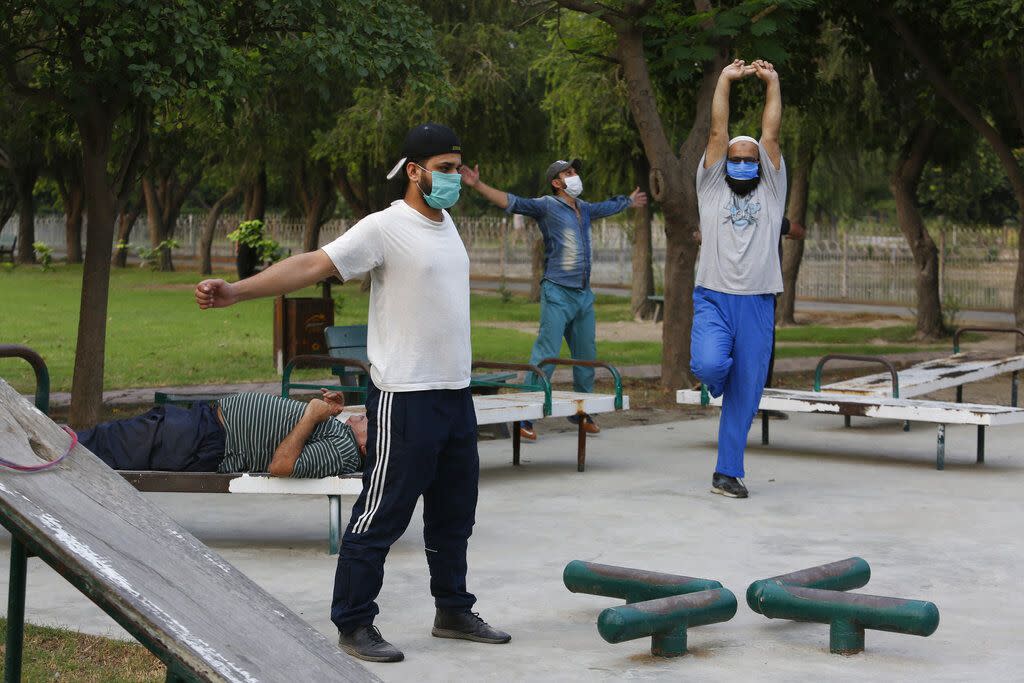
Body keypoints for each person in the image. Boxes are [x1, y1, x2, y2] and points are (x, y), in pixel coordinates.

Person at [195, 122, 509, 663]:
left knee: (455, 510)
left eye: (458, 167)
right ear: (415, 171)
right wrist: (236, 293)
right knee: (382, 511)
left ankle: (452, 609)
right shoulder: (384, 227)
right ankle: (354, 623)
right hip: (405, 396)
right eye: (447, 169)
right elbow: (312, 264)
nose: (457, 177)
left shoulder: (449, 223)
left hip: (455, 393)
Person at [460, 160, 647, 440]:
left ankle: (581, 411)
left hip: (583, 295)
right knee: (547, 351)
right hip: (557, 291)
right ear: (557, 183)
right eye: (568, 173)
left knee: (586, 356)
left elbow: (605, 207)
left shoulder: (583, 208)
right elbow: (512, 202)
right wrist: (477, 184)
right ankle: (526, 415)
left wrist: (628, 201)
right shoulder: (546, 205)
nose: (575, 176)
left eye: (575, 171)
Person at [690, 58, 786, 500]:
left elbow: (771, 135)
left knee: (746, 395)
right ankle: (716, 379)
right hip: (713, 297)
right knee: (711, 365)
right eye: (737, 159)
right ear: (724, 162)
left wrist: (772, 84)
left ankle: (726, 473)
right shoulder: (711, 187)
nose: (745, 163)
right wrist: (725, 78)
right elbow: (717, 132)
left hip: (758, 302)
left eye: (751, 160)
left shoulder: (771, 189)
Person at [77, 390, 365, 477]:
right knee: (111, 438)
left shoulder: (345, 450)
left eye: (369, 421)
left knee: (109, 443)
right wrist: (322, 412)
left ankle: (51, 450)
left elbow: (281, 465)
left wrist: (311, 416)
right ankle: (53, 446)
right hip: (205, 425)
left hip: (208, 441)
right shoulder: (343, 436)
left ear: (367, 445)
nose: (365, 414)